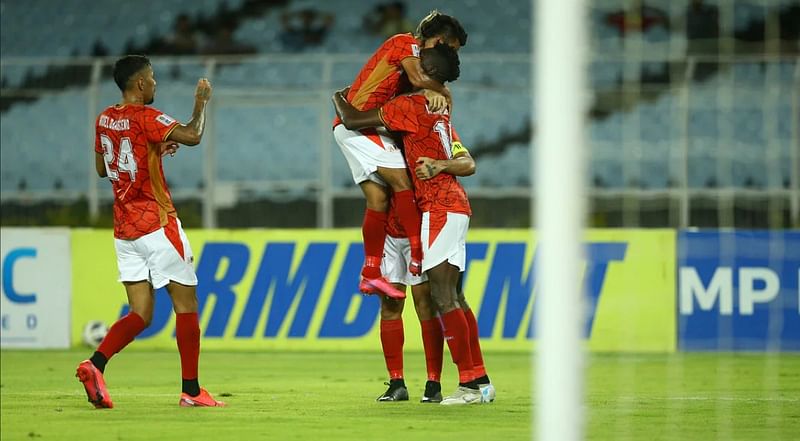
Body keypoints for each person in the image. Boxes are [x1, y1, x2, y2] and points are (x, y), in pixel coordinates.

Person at [333, 43, 493, 405]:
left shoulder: (408, 108)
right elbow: (466, 162)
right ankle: (474, 380)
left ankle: (457, 384)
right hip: (422, 216)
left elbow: (352, 119)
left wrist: (338, 97)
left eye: (418, 65)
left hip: (431, 214)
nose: (409, 68)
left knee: (436, 300)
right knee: (444, 298)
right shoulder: (440, 118)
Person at [75, 55, 224, 408]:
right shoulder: (146, 117)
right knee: (186, 305)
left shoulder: (105, 118)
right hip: (156, 223)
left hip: (124, 229)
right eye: (153, 78)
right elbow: (193, 135)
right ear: (140, 84)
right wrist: (200, 103)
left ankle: (94, 364)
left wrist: (153, 151)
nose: (155, 83)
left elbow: (102, 168)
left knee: (140, 313)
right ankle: (191, 390)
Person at [332, 10, 467, 300]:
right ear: (440, 40)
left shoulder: (411, 74)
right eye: (450, 48)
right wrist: (441, 91)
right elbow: (419, 78)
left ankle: (370, 273)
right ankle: (417, 256)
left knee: (378, 199)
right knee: (404, 183)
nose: (449, 56)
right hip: (359, 127)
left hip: (364, 126)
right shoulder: (405, 43)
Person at [374, 194, 444, 403]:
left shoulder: (415, 161)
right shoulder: (380, 162)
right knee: (389, 305)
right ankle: (396, 383)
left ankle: (433, 383)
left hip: (422, 231)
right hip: (389, 235)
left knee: (425, 306)